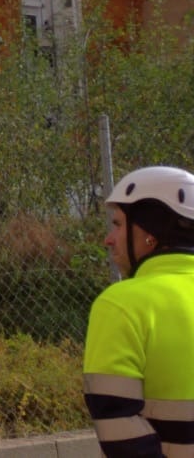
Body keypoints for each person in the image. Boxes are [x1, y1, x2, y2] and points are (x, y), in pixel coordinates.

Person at [84, 165, 194, 457]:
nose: (109, 239)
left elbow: (120, 429)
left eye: (118, 225)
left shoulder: (121, 305)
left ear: (151, 233)